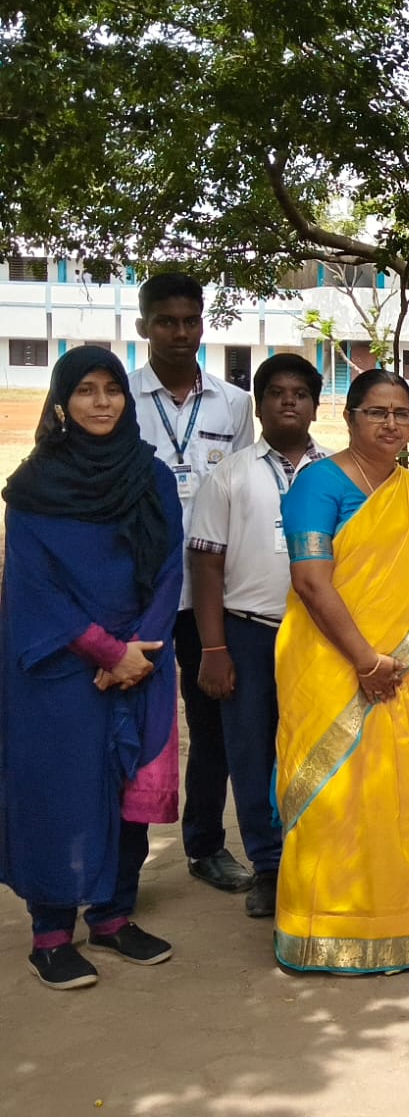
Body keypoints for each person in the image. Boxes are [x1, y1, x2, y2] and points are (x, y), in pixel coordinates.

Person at [0, 348, 184, 990]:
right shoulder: (32, 488)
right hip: (59, 667)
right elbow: (34, 587)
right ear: (61, 403)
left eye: (112, 389)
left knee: (128, 789)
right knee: (59, 792)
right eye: (85, 390)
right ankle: (50, 934)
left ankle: (112, 916)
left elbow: (170, 568)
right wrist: (109, 653)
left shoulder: (151, 476)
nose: (102, 402)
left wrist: (141, 650)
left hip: (143, 659)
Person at [274, 369, 409, 973]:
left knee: (392, 796)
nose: (391, 424)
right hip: (330, 666)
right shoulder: (317, 484)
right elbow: (310, 582)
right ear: (348, 417)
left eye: (401, 413)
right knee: (333, 797)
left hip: (398, 672)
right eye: (377, 411)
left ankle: (396, 924)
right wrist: (365, 661)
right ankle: (320, 929)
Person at [187, 353, 327, 920]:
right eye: (276, 393)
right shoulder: (230, 473)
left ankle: (314, 858)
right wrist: (213, 648)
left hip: (320, 637)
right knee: (250, 751)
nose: (288, 401)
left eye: (300, 393)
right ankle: (268, 866)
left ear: (316, 405)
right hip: (249, 633)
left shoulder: (336, 473)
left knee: (317, 746)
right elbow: (206, 566)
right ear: (259, 405)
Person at [130, 272, 255, 895]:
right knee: (132, 724)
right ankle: (119, 858)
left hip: (212, 593)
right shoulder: (120, 395)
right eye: (166, 321)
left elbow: (245, 492)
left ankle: (205, 844)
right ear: (144, 327)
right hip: (139, 593)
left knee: (212, 725)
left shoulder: (234, 404)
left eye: (190, 321)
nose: (180, 333)